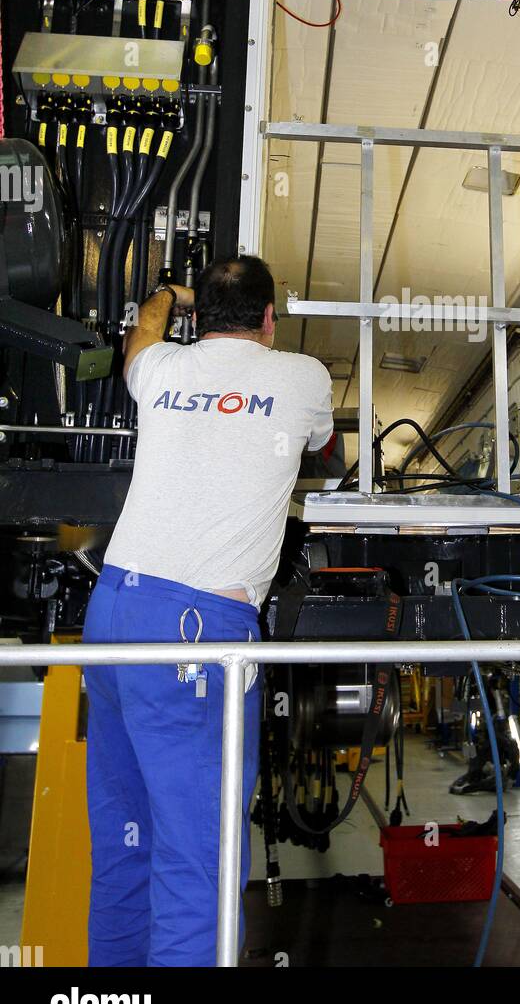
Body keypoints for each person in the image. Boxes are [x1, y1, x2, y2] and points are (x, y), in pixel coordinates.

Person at [82, 256, 333, 967]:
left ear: (201, 318)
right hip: (194, 635)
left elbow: (139, 336)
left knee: (127, 847)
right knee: (196, 860)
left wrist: (166, 294)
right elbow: (322, 444)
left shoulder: (161, 367)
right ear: (269, 320)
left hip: (114, 618)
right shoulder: (302, 376)